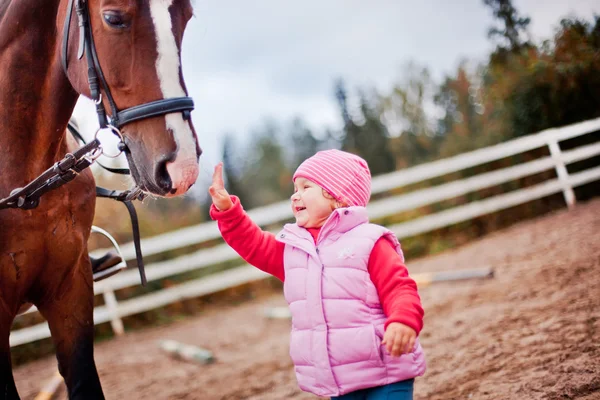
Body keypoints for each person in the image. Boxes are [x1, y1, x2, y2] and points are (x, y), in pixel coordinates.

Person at [209, 149, 426, 399]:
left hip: (387, 370)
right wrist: (227, 211)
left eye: (305, 187)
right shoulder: (292, 250)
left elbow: (400, 288)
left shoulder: (370, 242)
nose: (295, 196)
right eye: (295, 188)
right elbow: (253, 243)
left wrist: (402, 320)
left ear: (338, 197)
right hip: (338, 379)